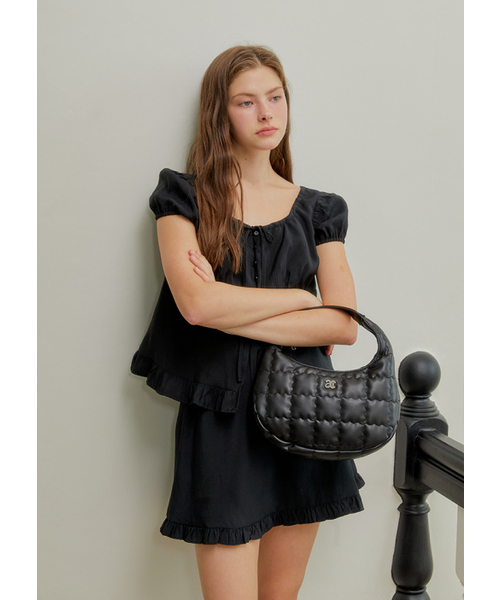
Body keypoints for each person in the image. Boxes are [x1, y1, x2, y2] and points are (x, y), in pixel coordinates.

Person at [131, 45, 365, 600]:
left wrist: (227, 307)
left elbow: (343, 326)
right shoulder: (183, 197)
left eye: (275, 97)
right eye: (246, 101)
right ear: (221, 112)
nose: (266, 113)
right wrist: (299, 300)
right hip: (221, 421)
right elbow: (196, 307)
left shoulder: (320, 209)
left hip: (304, 415)